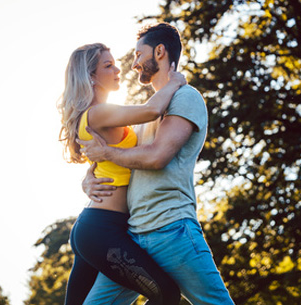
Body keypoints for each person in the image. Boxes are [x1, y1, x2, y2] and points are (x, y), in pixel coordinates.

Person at [77, 23, 235, 304]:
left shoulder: (186, 97)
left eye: (139, 54)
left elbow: (156, 157)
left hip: (172, 230)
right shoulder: (149, 109)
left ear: (160, 52)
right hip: (134, 235)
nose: (134, 63)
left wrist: (107, 155)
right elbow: (125, 158)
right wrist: (90, 176)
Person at [58, 42, 187, 304]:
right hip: (102, 229)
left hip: (98, 226)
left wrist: (88, 179)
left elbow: (104, 161)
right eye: (108, 65)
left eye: (115, 63)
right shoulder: (97, 113)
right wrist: (175, 82)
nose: (117, 69)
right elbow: (152, 110)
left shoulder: (99, 114)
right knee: (167, 294)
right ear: (91, 76)